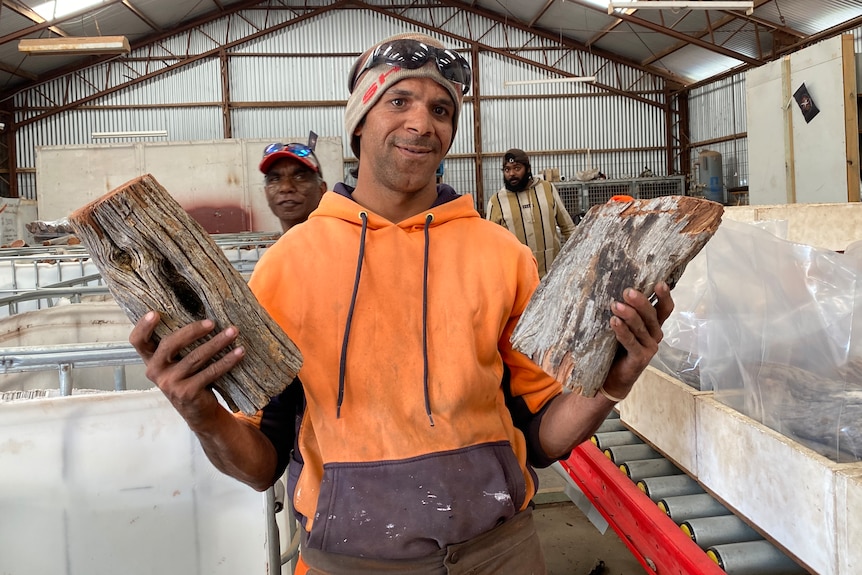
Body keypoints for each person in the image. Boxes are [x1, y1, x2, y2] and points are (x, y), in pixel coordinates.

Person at [129, 32, 674, 574]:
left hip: (499, 552)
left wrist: (610, 383)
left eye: (441, 109)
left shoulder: (502, 256)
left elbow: (539, 436)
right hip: (351, 562)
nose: (421, 123)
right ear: (359, 121)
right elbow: (260, 459)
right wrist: (198, 411)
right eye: (398, 101)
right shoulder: (288, 266)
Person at [486, 149, 578, 278]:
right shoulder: (497, 202)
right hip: (519, 281)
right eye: (507, 170)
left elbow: (568, 228)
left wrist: (578, 260)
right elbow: (491, 247)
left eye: (517, 168)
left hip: (553, 276)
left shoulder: (547, 189)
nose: (511, 173)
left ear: (528, 169)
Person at [259, 141, 327, 233]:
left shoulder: (343, 243)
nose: (286, 187)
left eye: (299, 177)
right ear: (266, 193)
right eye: (275, 179)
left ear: (322, 190)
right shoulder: (278, 247)